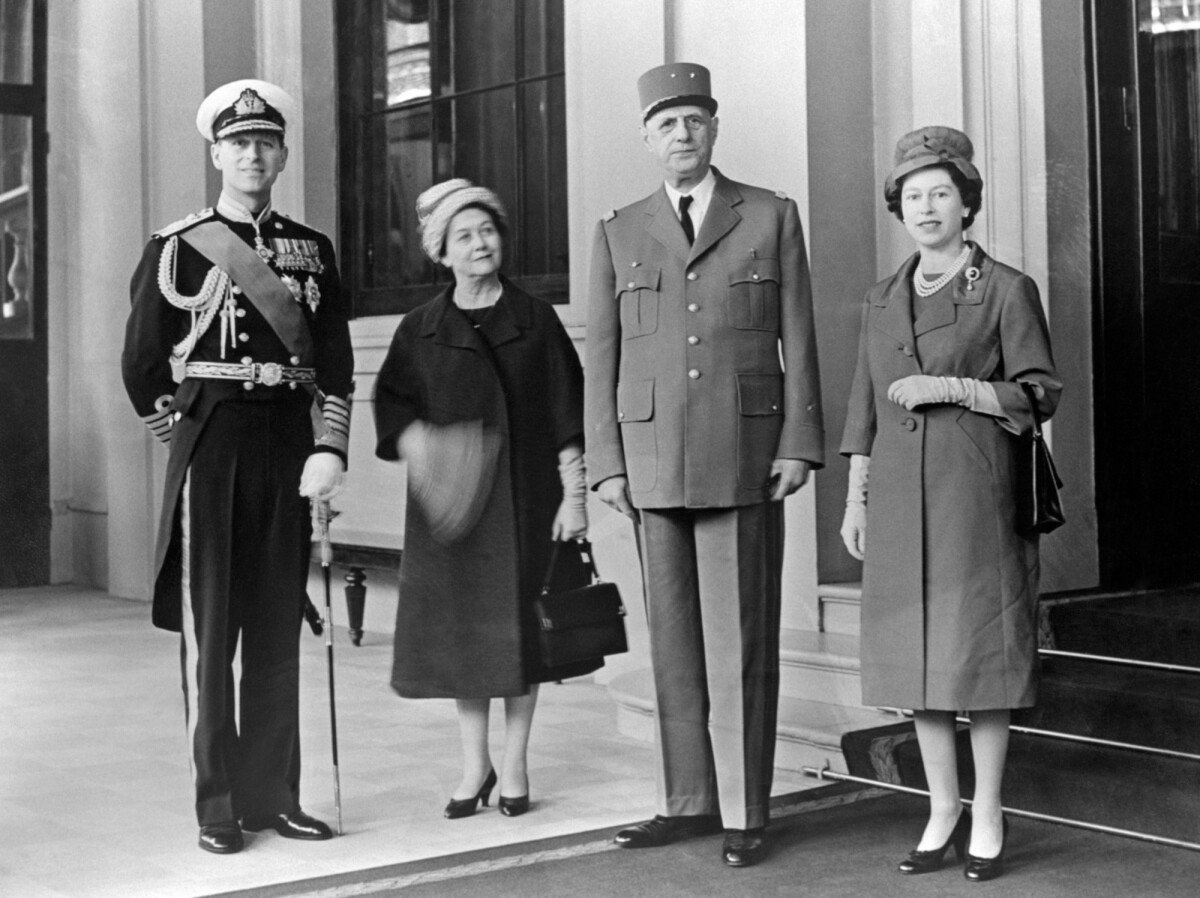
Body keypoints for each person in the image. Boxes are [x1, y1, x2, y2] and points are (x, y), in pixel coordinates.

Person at [585, 63, 824, 868]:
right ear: (647, 139)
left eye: (693, 121)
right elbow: (604, 360)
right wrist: (606, 464)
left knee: (741, 642)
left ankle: (745, 809)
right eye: (665, 124)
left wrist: (798, 442)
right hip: (652, 461)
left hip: (747, 455)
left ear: (714, 129)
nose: (680, 136)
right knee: (673, 644)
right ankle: (686, 800)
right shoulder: (619, 229)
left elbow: (800, 336)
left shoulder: (769, 214)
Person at [121, 79, 353, 855]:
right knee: (213, 631)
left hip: (288, 443)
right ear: (216, 153)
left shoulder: (311, 249)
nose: (253, 154)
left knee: (278, 629)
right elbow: (142, 365)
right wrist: (184, 442)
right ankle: (218, 805)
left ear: (282, 154)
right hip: (212, 446)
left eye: (265, 142)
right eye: (238, 142)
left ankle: (274, 797)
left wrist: (329, 449)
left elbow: (339, 368)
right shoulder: (177, 245)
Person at [839, 126, 1061, 883]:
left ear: (966, 203)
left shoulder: (1004, 288)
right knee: (918, 666)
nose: (926, 206)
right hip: (900, 500)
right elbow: (862, 406)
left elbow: (1039, 392)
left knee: (979, 664)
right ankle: (940, 811)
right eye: (912, 196)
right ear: (898, 208)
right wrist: (855, 498)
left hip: (976, 497)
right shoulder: (880, 296)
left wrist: (958, 388)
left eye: (941, 193)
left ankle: (989, 812)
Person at [373, 179, 591, 820]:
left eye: (487, 230)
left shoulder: (536, 319)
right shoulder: (420, 329)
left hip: (526, 504)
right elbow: (392, 405)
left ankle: (517, 762)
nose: (479, 244)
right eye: (463, 236)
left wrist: (573, 498)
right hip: (452, 513)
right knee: (468, 642)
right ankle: (475, 765)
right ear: (442, 252)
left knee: (521, 638)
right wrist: (426, 449)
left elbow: (568, 412)